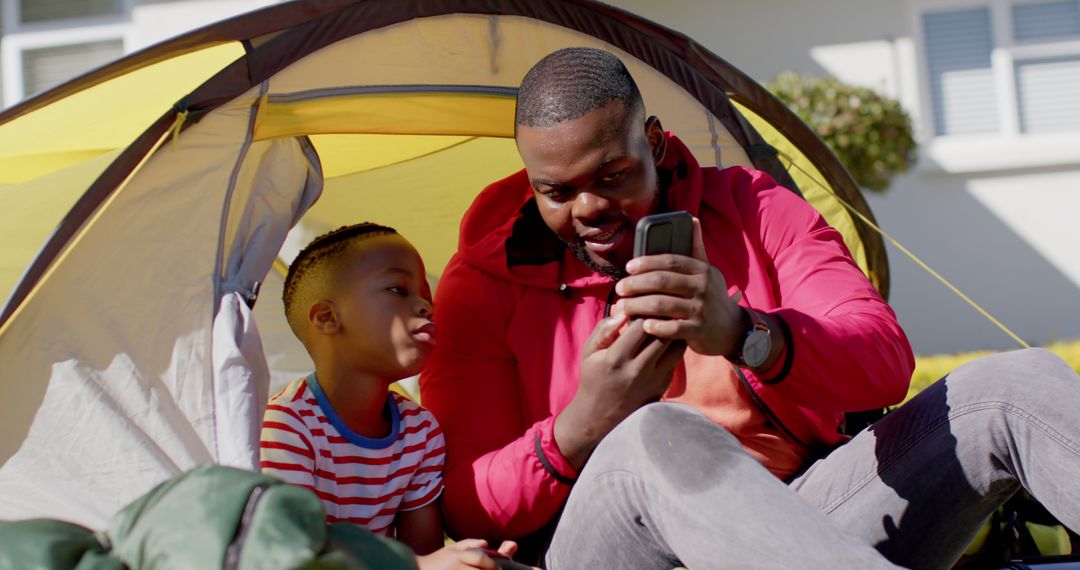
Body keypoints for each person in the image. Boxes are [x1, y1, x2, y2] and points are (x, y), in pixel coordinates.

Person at [420, 47, 1080, 569]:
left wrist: (746, 334)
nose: (588, 208)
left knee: (1014, 387)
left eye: (611, 176)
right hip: (600, 549)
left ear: (652, 141)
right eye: (556, 191)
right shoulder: (482, 283)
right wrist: (584, 424)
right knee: (654, 434)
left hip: (803, 530)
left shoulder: (756, 209)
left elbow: (882, 358)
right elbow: (467, 505)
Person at [260, 223, 522, 570]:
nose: (426, 307)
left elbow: (424, 552)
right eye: (399, 290)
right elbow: (293, 555)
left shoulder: (420, 431)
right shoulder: (287, 427)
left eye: (427, 297)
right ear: (327, 318)